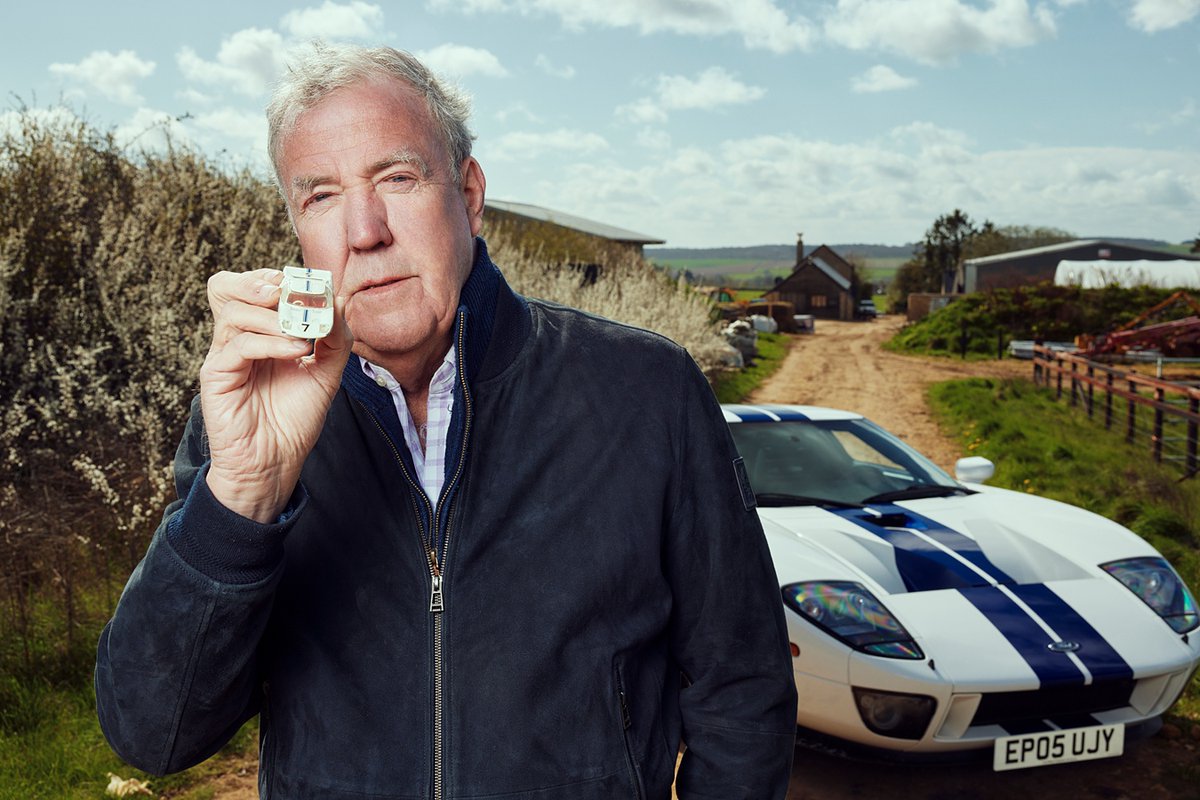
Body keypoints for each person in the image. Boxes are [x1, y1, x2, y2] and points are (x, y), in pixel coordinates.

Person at [95, 42, 797, 799]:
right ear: (299, 231)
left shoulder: (647, 391)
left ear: (467, 194)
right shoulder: (254, 421)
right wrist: (243, 492)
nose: (365, 231)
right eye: (321, 196)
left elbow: (743, 692)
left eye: (397, 178)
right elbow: (152, 733)